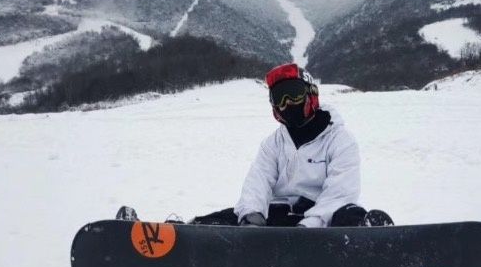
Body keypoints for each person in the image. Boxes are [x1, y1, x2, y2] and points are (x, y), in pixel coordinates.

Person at [116, 63, 392, 228]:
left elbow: (340, 193)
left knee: (349, 213)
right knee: (224, 219)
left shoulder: (340, 140)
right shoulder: (274, 143)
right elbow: (257, 182)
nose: (287, 104)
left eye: (293, 95)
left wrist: (309, 226)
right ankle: (167, 239)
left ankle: (375, 241)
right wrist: (251, 216)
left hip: (322, 224)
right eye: (279, 98)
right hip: (278, 218)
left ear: (311, 95)